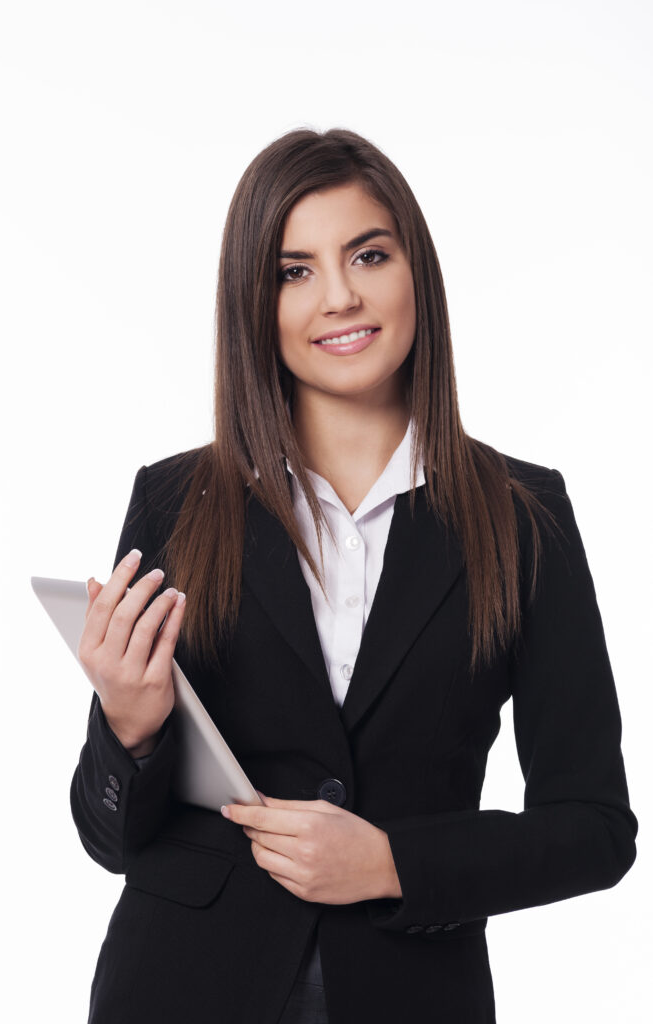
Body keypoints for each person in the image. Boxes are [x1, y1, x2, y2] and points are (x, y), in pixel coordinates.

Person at [71, 127, 637, 1024]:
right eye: (293, 271)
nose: (338, 297)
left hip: (411, 992)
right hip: (179, 987)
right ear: (253, 305)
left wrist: (390, 864)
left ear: (416, 271)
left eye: (366, 255)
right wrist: (128, 732)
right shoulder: (178, 499)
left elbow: (594, 829)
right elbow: (108, 839)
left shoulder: (523, 515)